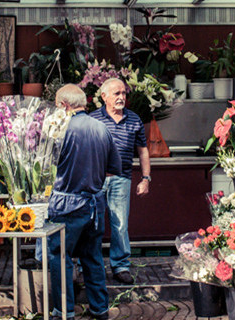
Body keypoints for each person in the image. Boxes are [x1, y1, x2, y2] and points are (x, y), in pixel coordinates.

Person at [47, 84, 122, 320]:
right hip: (95, 204)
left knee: (60, 256)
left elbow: (45, 168)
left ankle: (64, 310)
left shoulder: (60, 129)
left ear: (64, 105)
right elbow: (114, 169)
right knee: (93, 256)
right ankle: (100, 308)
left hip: (67, 204)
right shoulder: (102, 128)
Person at [89, 78, 151, 285]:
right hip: (95, 181)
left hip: (121, 179)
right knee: (92, 224)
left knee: (120, 224)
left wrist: (146, 178)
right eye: (116, 93)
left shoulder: (134, 120)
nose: (121, 97)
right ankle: (88, 266)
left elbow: (143, 151)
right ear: (104, 96)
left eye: (123, 93)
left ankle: (121, 265)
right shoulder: (92, 119)